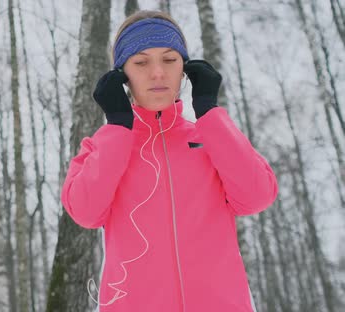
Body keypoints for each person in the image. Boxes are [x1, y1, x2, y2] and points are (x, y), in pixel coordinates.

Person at [61, 10, 278, 312]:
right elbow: (85, 212)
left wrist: (209, 113)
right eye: (141, 62)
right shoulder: (104, 145)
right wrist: (118, 128)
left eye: (169, 59)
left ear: (184, 68)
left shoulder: (211, 138)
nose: (158, 73)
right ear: (122, 75)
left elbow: (257, 196)